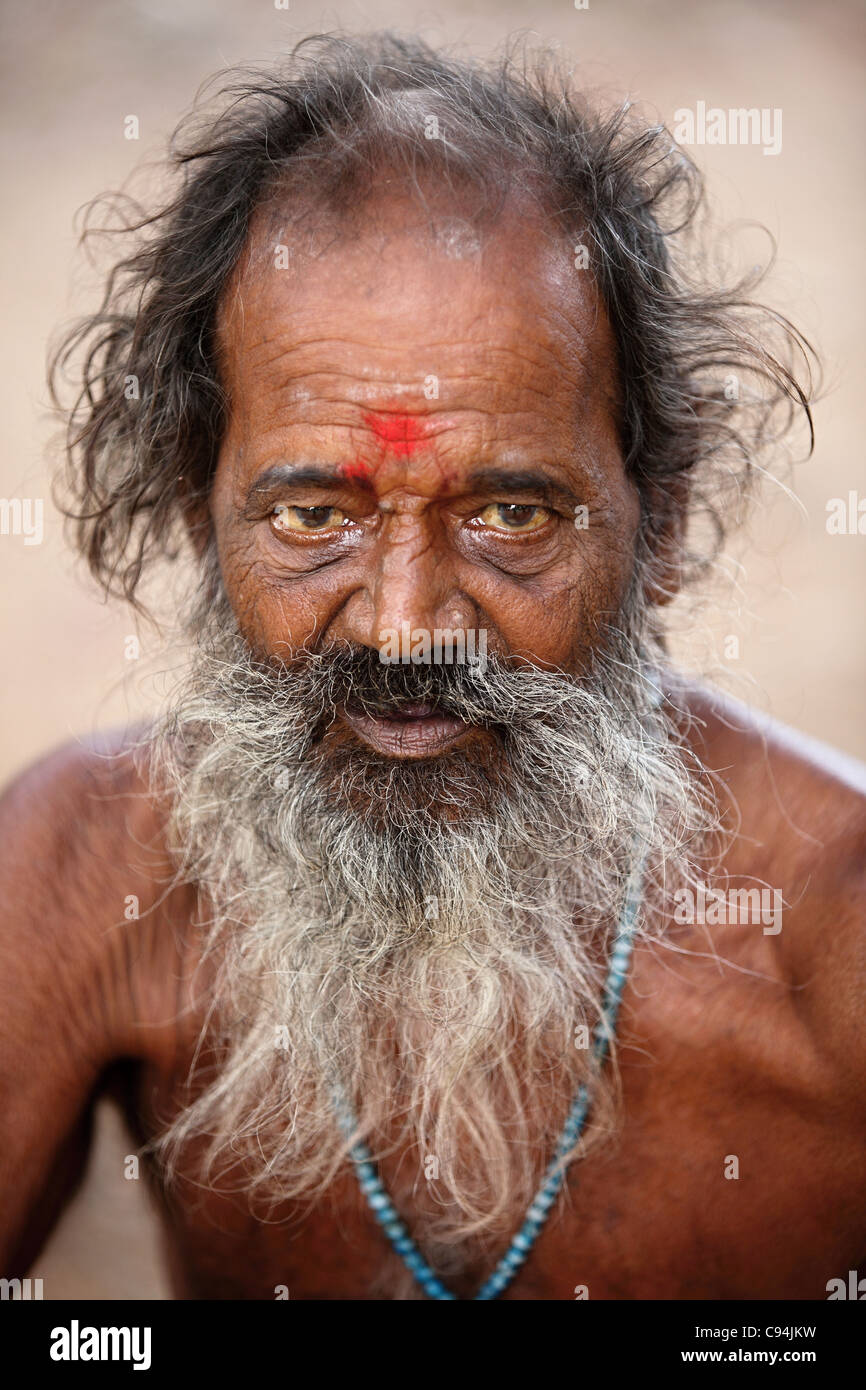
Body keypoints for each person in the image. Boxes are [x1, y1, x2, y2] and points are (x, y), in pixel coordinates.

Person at [2, 34, 864, 1300]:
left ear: (659, 525)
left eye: (510, 515)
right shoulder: (93, 872)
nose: (405, 627)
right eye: (313, 519)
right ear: (200, 514)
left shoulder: (828, 931)